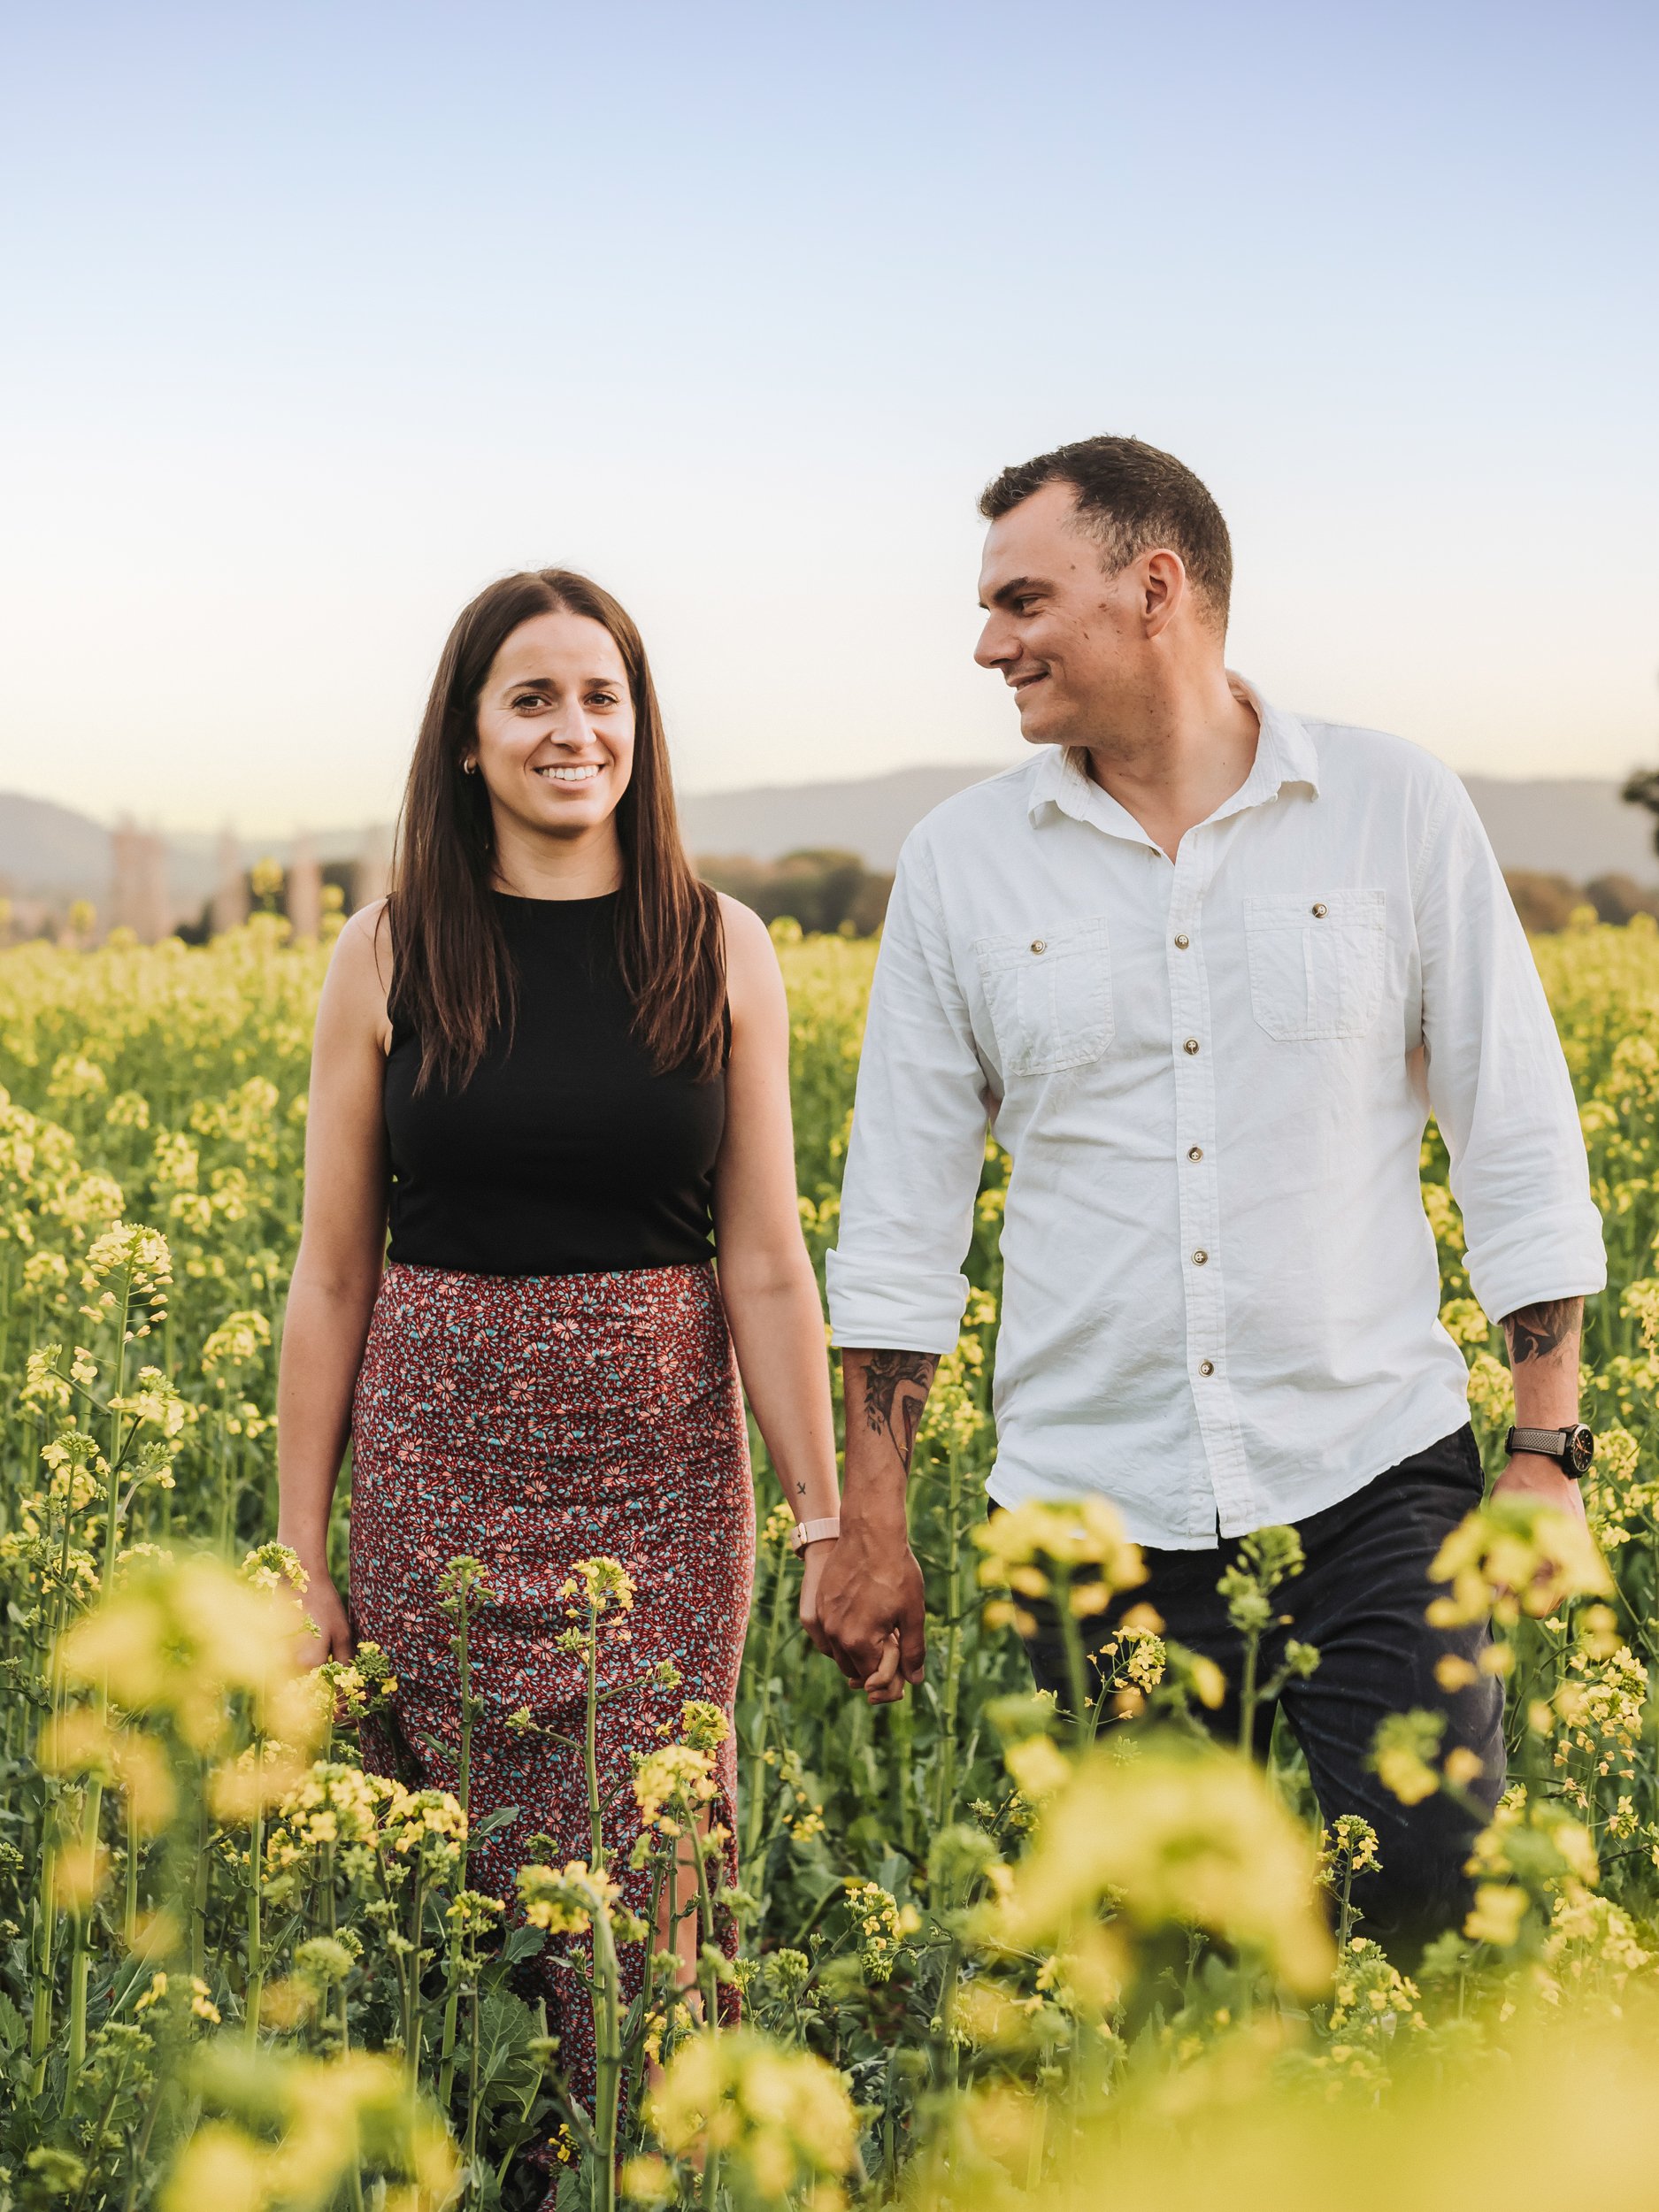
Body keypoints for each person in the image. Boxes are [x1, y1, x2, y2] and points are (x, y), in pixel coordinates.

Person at [817, 436, 1605, 1946]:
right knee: (1153, 1982)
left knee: (1440, 1922)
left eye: (1023, 600)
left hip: (1374, 1480)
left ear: (1154, 588)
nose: (989, 644)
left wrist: (1547, 1453)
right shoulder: (959, 863)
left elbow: (1516, 1132)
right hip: (1090, 1520)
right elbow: (902, 1217)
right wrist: (875, 1524)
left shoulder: (1396, 806)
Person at [275, 568, 841, 2094]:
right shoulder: (388, 953)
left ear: (641, 727)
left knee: (650, 1933)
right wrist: (303, 1558)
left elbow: (768, 1261)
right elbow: (334, 1277)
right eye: (531, 698)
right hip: (431, 1493)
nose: (573, 730)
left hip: (659, 1497)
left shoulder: (721, 945)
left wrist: (820, 1520)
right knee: (444, 1936)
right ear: (467, 738)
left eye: (604, 696)